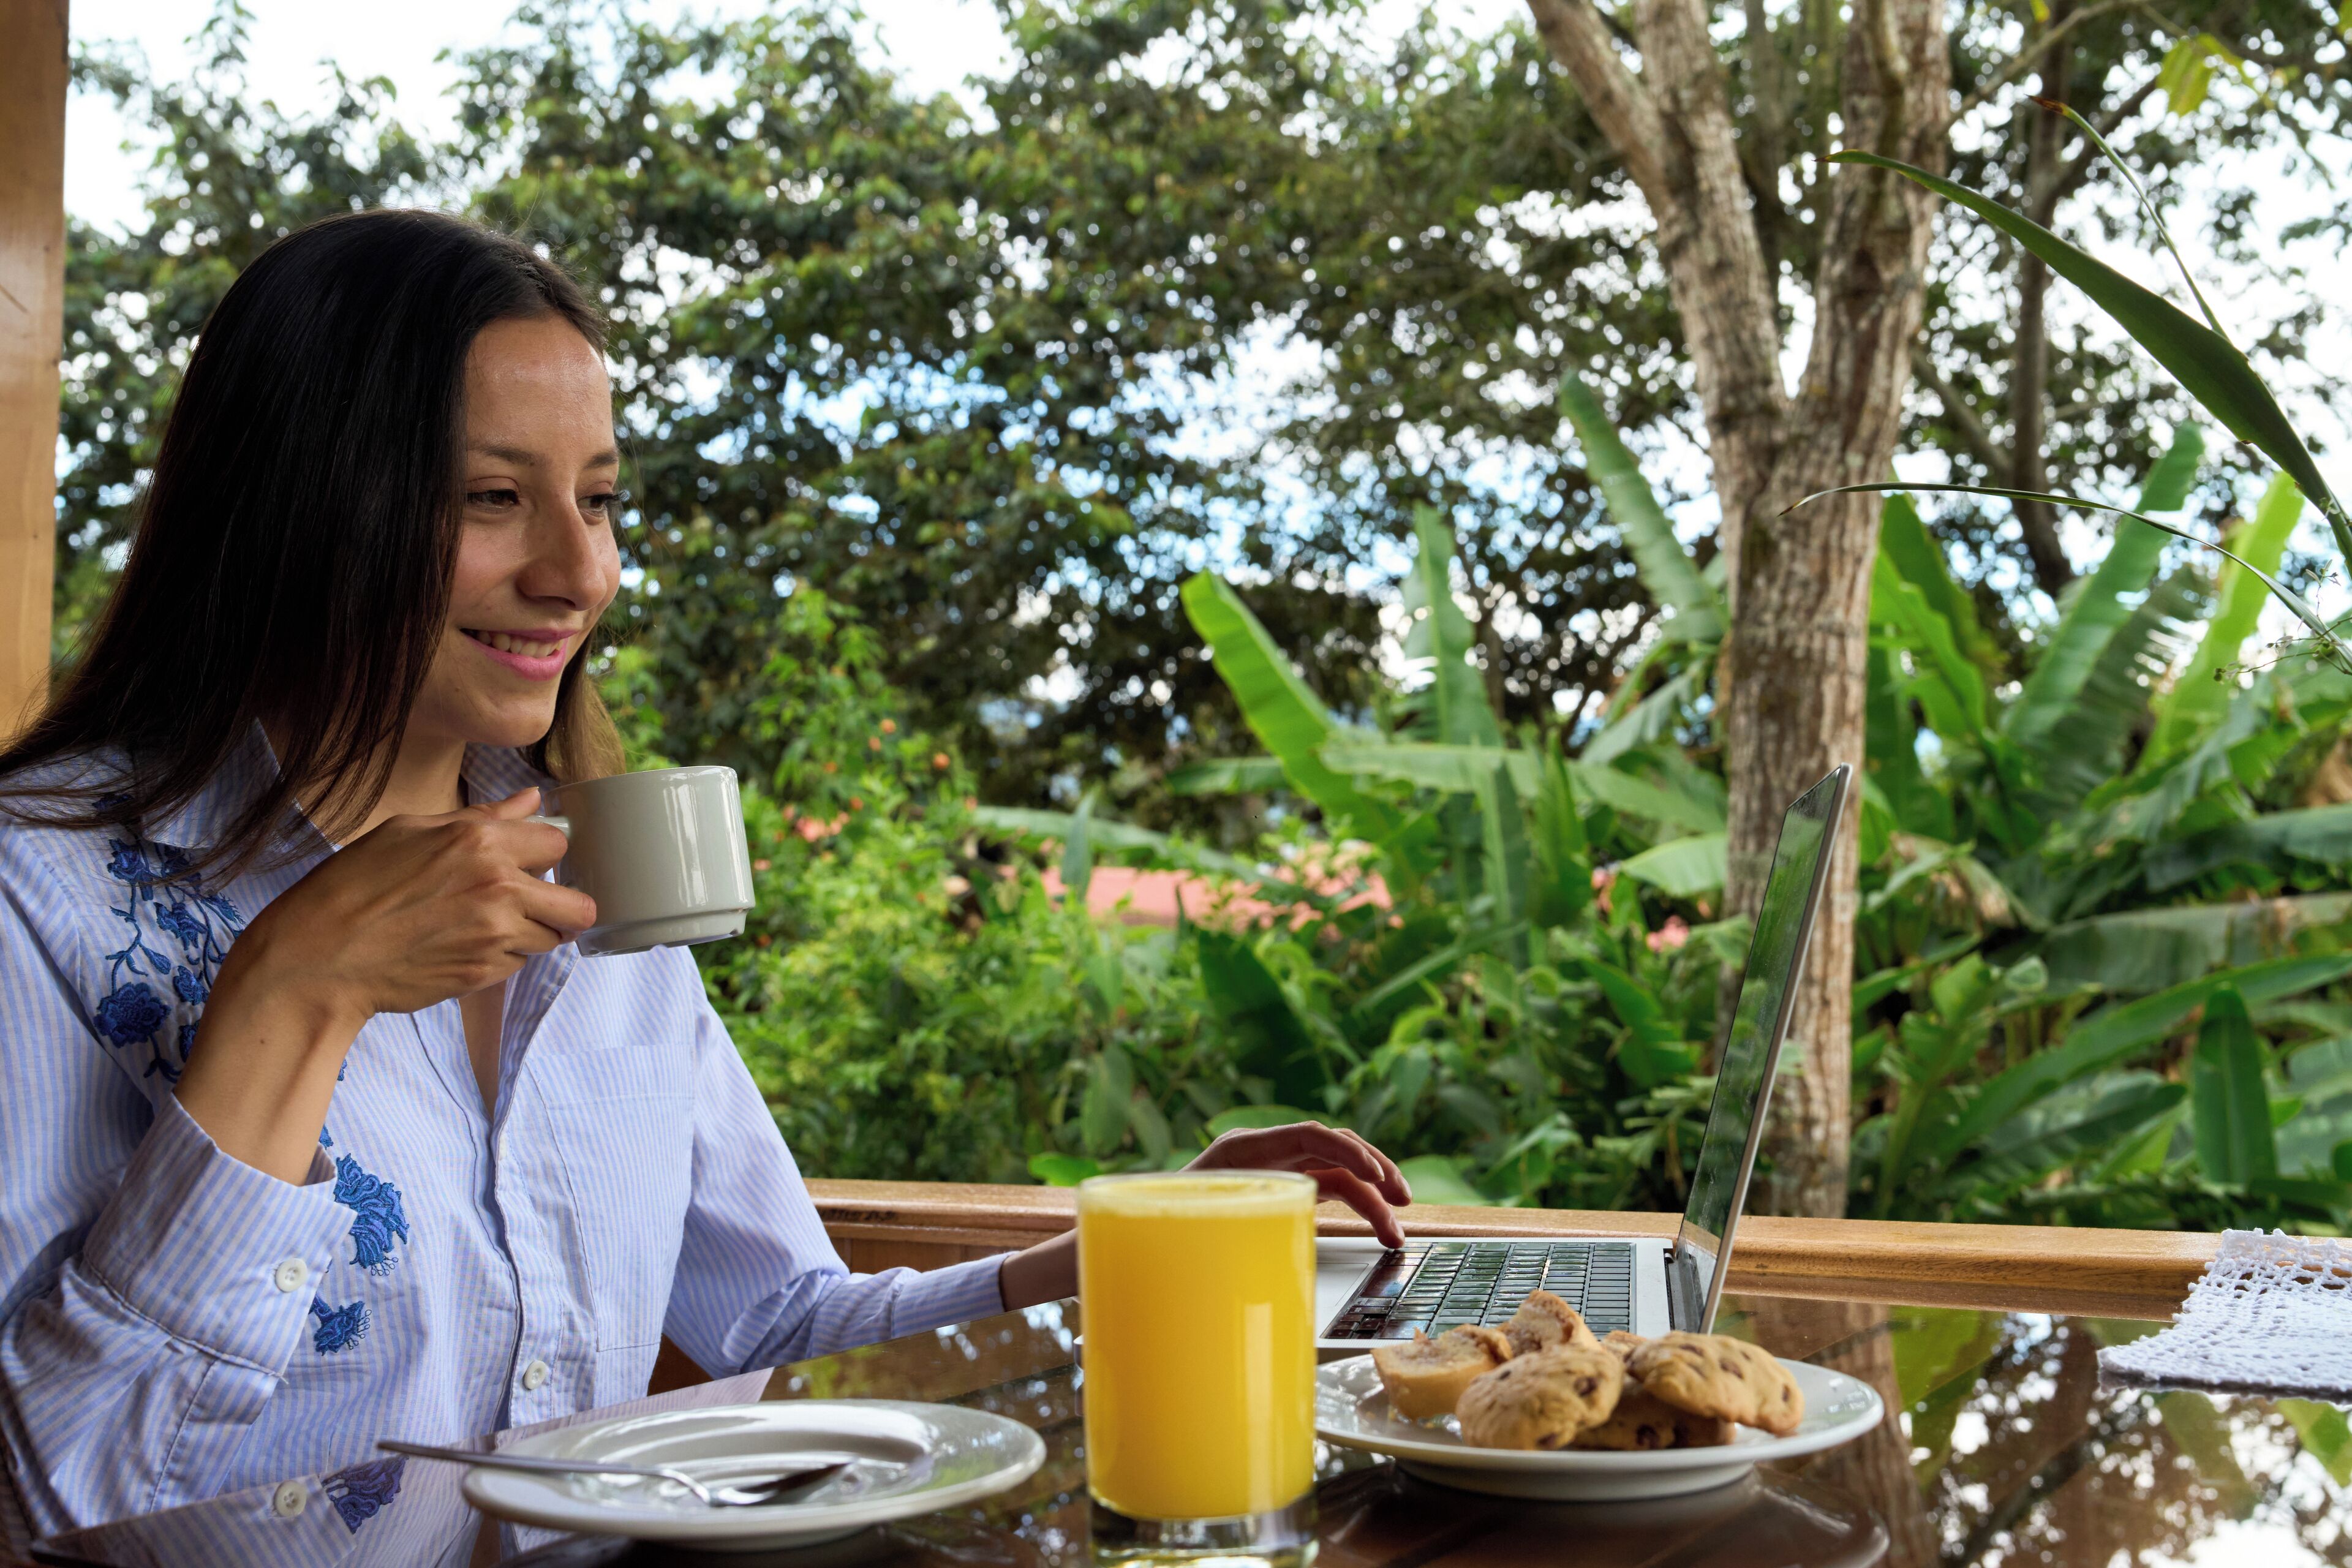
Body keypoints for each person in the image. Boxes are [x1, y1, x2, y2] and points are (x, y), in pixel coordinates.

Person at [0, 210, 1412, 1548]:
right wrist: (294, 998)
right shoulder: (42, 891)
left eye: (600, 500)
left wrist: (1129, 1245)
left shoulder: (600, 879)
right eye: (496, 498)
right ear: (300, 507)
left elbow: (780, 1325)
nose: (578, 570)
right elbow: (49, 1498)